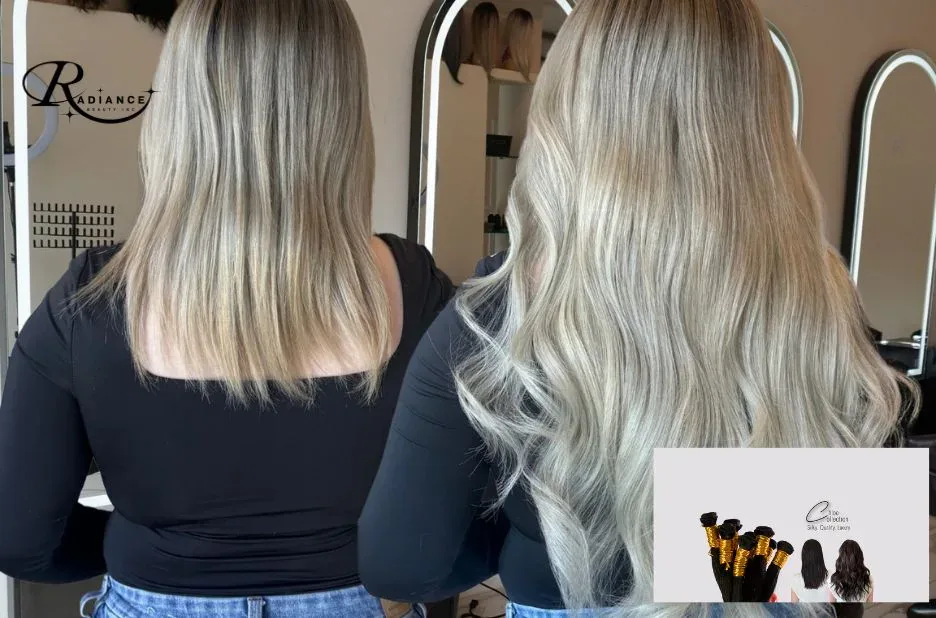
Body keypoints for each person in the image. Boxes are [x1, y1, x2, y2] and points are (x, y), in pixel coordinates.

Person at [357, 0, 915, 616]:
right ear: (759, 121)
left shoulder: (497, 318)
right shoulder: (825, 311)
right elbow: (843, 571)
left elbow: (399, 563)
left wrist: (530, 538)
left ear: (566, 114)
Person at [0, 1, 452, 617]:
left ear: (180, 104)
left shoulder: (92, 299)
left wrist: (138, 545)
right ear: (342, 108)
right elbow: (451, 517)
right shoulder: (415, 288)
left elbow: (21, 539)